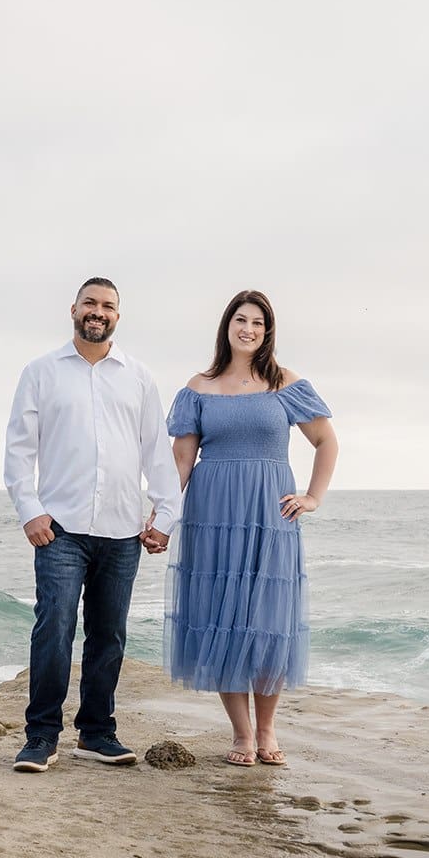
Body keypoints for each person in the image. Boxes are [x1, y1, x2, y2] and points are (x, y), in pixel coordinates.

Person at [4, 277, 181, 773]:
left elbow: (156, 453)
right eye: (90, 303)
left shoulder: (139, 377)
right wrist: (30, 510)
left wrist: (166, 515)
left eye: (107, 306)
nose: (97, 312)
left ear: (117, 317)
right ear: (74, 310)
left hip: (123, 530)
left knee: (109, 636)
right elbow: (19, 449)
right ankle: (41, 736)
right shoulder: (41, 372)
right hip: (60, 528)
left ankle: (97, 733)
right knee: (54, 629)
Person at [164, 290, 338, 767]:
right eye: (241, 319)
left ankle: (267, 729)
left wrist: (312, 497)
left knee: (268, 622)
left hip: (270, 514)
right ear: (226, 325)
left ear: (268, 330)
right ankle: (242, 735)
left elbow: (325, 441)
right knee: (223, 619)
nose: (249, 329)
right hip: (213, 514)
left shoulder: (285, 383)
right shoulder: (198, 387)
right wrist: (162, 516)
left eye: (258, 323)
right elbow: (182, 460)